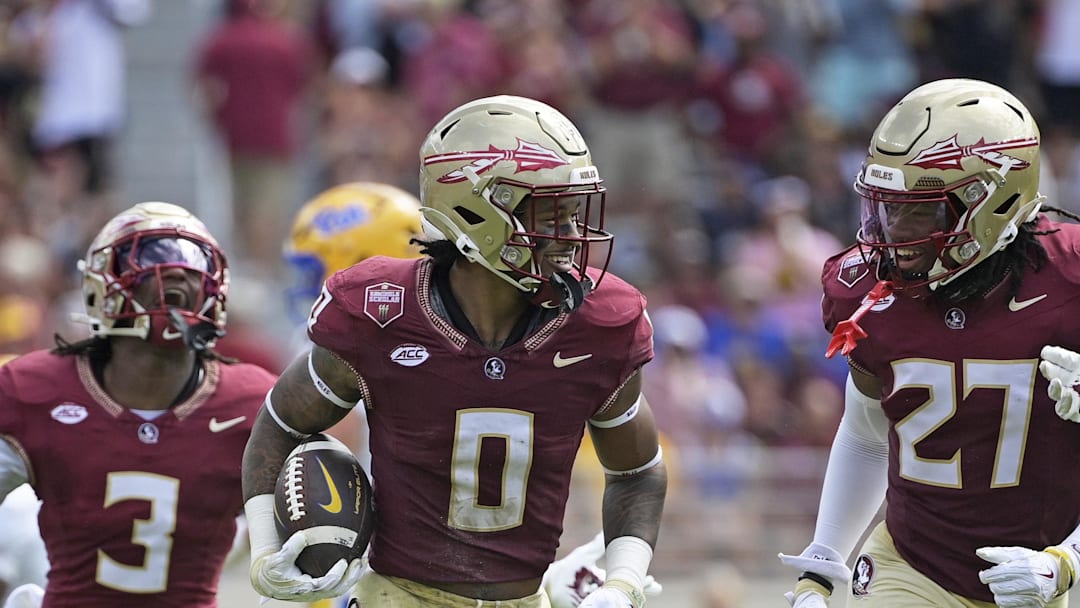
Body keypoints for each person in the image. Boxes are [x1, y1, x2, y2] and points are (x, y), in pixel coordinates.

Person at [241, 94, 668, 607]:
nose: (571, 237)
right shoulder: (382, 312)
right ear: (475, 211)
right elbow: (282, 422)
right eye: (550, 216)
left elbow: (637, 472)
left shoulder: (599, 325)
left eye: (574, 214)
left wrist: (622, 582)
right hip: (394, 597)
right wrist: (266, 549)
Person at [778, 78, 1080, 608]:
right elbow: (868, 432)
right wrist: (824, 557)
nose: (895, 230)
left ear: (992, 199)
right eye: (887, 206)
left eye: (921, 209)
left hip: (1040, 572)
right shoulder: (866, 292)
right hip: (912, 566)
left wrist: (1066, 563)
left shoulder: (1071, 279)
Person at [0, 201, 278, 607]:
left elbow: (317, 522)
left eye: (194, 259)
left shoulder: (251, 401)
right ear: (102, 284)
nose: (179, 270)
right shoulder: (35, 390)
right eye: (154, 254)